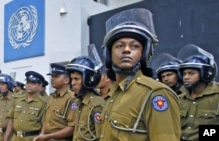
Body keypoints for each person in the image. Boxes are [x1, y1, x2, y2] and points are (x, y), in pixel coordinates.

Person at [99, 8, 180, 141]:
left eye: (135, 46)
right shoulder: (113, 94)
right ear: (109, 54)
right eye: (119, 46)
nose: (126, 50)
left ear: (144, 53)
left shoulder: (155, 94)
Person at [178, 44, 219, 141]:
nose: (186, 77)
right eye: (184, 74)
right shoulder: (179, 99)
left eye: (191, 73)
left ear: (206, 73)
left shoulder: (217, 96)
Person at [33, 63, 78, 141]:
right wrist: (42, 134)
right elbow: (47, 121)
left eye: (56, 76)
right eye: (52, 76)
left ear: (66, 80)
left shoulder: (72, 98)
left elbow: (72, 128)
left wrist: (48, 136)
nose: (52, 79)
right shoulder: (51, 97)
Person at [65, 56, 106, 141]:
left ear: (88, 79)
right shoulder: (80, 101)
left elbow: (101, 136)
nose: (72, 83)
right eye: (71, 79)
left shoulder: (96, 103)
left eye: (76, 79)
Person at [4, 71, 48, 141]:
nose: (29, 85)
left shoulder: (44, 103)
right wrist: (6, 138)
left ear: (40, 86)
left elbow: (44, 124)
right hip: (15, 137)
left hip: (31, 138)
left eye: (33, 83)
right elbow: (11, 120)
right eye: (28, 82)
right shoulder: (17, 99)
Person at [0, 74, 15, 141]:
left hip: (11, 135)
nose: (0, 87)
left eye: (3, 84)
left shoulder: (15, 100)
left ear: (9, 85)